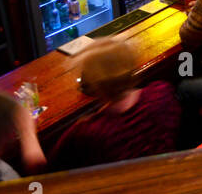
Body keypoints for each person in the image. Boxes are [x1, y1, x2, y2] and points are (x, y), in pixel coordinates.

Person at [47, 38, 181, 171]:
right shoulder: (161, 93)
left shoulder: (89, 132)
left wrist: (27, 128)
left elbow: (43, 172)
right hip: (170, 178)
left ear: (94, 86)